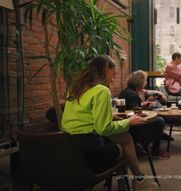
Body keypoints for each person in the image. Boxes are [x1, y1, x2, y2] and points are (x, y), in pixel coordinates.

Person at [61, 55, 158, 191]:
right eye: (113, 73)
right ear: (106, 67)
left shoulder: (75, 89)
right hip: (90, 155)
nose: (114, 78)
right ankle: (136, 181)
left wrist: (113, 116)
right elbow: (104, 129)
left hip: (67, 149)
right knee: (126, 141)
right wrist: (128, 122)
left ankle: (135, 181)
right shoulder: (102, 90)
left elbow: (85, 117)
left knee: (124, 137)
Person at [119, 70, 170, 160]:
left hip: (125, 121)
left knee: (156, 115)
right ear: (140, 82)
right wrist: (146, 109)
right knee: (159, 121)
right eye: (145, 81)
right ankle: (155, 150)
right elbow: (135, 112)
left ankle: (140, 145)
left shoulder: (127, 91)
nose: (146, 82)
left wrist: (144, 104)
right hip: (132, 125)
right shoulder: (133, 95)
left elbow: (133, 107)